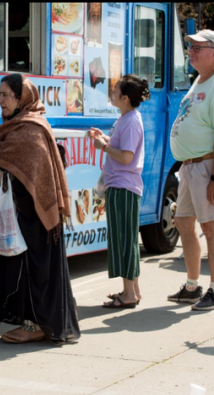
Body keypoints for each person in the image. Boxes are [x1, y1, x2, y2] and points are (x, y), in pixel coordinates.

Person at [0, 73, 80, 345]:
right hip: (24, 215)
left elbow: (33, 177)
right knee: (24, 268)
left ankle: (37, 325)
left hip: (37, 219)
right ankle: (32, 322)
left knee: (36, 270)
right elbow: (10, 161)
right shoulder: (15, 127)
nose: (1, 100)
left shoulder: (31, 129)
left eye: (6, 95)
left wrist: (3, 178)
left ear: (21, 98)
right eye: (0, 95)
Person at [167, 30, 214, 311]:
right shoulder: (201, 79)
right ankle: (193, 286)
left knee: (211, 226)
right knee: (184, 222)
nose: (191, 52)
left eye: (198, 47)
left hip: (208, 166)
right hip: (191, 165)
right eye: (190, 47)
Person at [87, 75, 150, 309]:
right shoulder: (126, 118)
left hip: (123, 186)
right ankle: (132, 290)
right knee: (126, 239)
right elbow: (122, 148)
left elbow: (126, 157)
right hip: (121, 185)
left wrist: (103, 146)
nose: (111, 95)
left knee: (124, 240)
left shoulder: (131, 121)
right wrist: (104, 138)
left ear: (124, 98)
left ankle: (129, 294)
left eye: (115, 92)